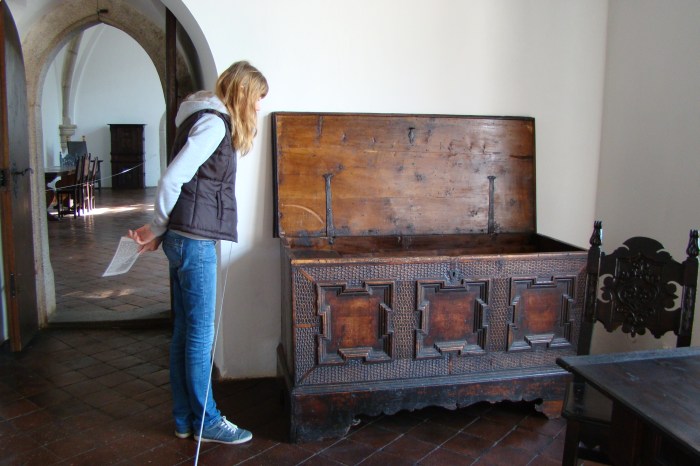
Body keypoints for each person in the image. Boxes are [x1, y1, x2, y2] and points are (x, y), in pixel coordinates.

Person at [127, 61, 268, 445]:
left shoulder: (202, 117)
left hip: (185, 238)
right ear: (242, 93)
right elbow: (172, 179)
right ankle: (207, 421)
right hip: (193, 241)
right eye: (257, 98)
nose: (258, 107)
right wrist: (157, 226)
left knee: (185, 333)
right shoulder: (213, 124)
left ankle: (184, 419)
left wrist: (162, 231)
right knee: (200, 336)